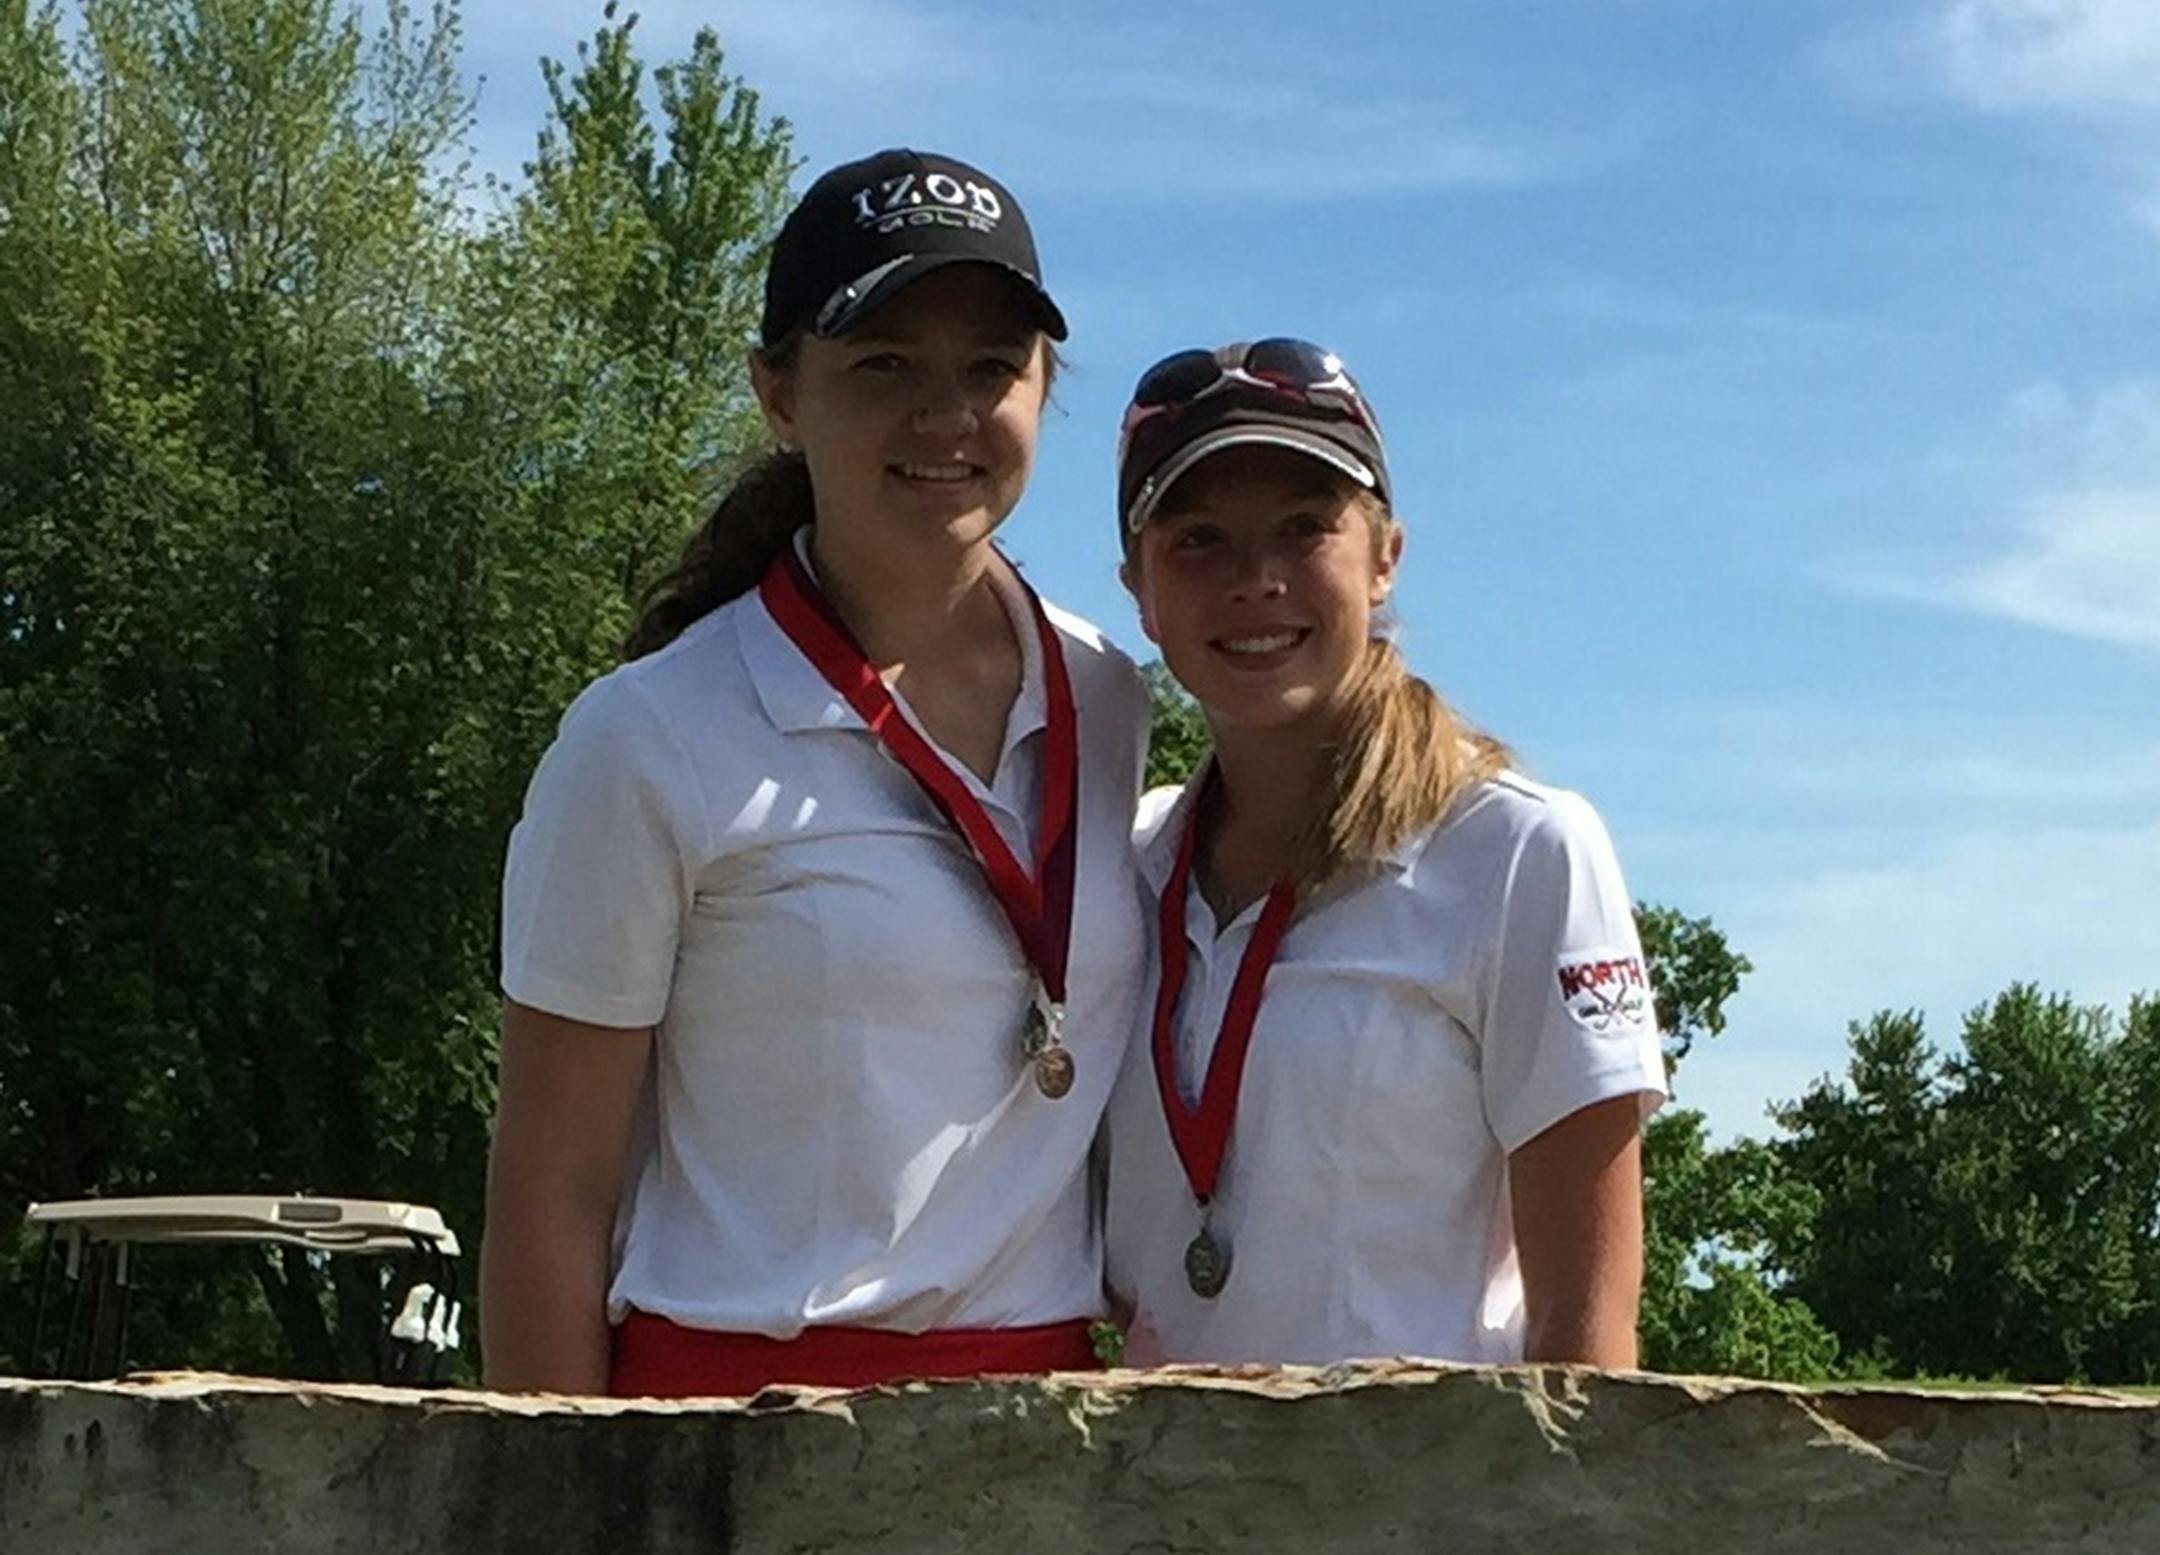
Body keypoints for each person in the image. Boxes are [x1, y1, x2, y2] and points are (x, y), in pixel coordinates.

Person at [481, 149, 1151, 1397]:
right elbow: (549, 1193)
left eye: (990, 368)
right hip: (728, 1436)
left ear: (1045, 388)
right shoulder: (647, 734)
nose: (944, 415)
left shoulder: (1107, 697)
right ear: (778, 393)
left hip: (1042, 1436)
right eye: (883, 365)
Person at [1102, 339, 1666, 1368]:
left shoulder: (1518, 853)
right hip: (1162, 1506)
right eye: (1199, 540)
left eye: (1305, 529)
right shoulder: (1123, 867)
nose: (1256, 580)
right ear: (1137, 586)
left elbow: (1587, 1337)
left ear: (1385, 553)